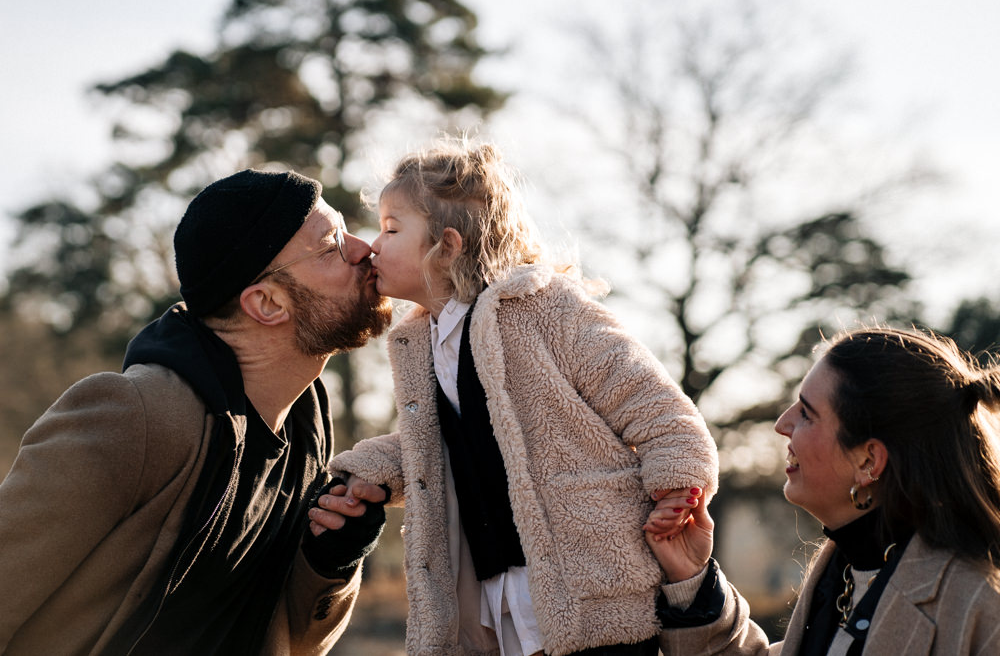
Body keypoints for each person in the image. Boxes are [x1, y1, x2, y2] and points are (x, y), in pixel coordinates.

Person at [322, 138, 719, 656]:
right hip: (497, 594)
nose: (374, 245)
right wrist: (371, 468)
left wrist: (676, 487)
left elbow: (653, 405)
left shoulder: (546, 308)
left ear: (447, 245)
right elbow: (444, 440)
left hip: (588, 588)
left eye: (392, 229)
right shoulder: (422, 342)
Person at [0, 169, 395, 655]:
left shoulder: (306, 424)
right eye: (332, 243)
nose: (366, 247)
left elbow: (292, 642)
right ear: (267, 303)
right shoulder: (133, 416)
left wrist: (329, 562)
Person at [647, 327, 1000, 655]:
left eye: (807, 414)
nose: (782, 424)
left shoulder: (981, 607)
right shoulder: (844, 572)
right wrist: (692, 579)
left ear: (868, 461)